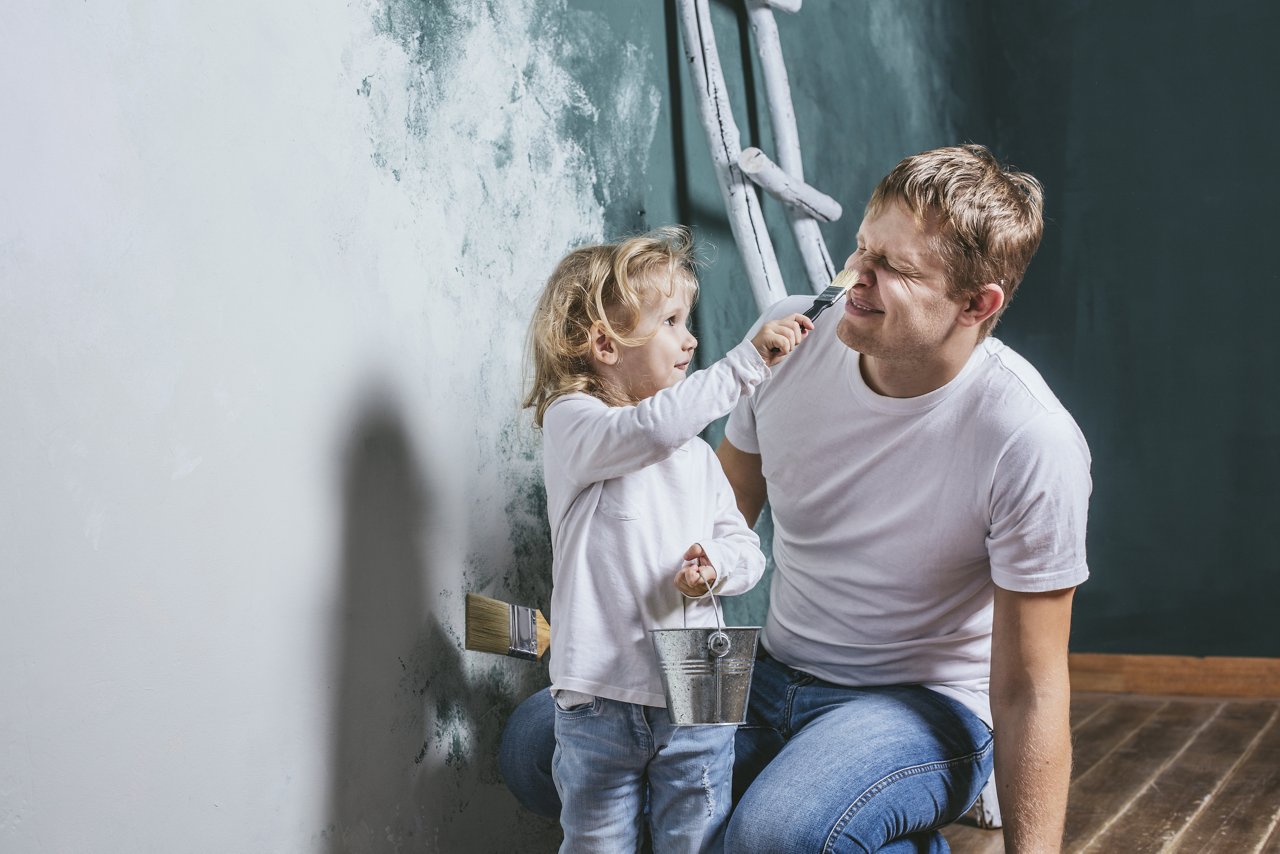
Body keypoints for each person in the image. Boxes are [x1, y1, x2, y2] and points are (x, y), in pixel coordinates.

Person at [503, 145, 1091, 853]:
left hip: (915, 706)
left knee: (773, 839)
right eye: (861, 249)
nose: (854, 280)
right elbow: (715, 522)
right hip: (768, 672)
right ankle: (840, 827)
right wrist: (610, 637)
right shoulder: (792, 339)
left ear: (977, 303)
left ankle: (806, 823)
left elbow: (1033, 688)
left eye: (893, 269)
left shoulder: (1029, 437)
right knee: (541, 745)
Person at [523, 226, 812, 853]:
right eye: (671, 321)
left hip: (700, 677)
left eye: (690, 320)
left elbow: (747, 549)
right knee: (597, 839)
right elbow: (650, 429)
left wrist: (718, 569)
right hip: (600, 689)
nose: (690, 339)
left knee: (698, 836)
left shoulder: (695, 456)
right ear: (604, 343)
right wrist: (746, 362)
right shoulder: (575, 427)